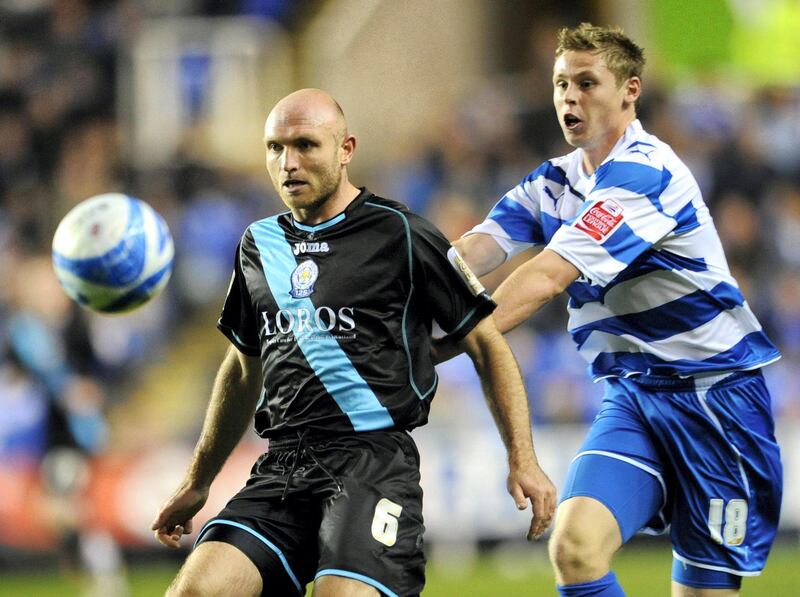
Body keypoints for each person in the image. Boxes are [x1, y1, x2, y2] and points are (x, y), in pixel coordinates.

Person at [152, 88, 556, 597]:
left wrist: (522, 458)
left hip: (373, 463)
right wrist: (198, 480)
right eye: (275, 148)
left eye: (305, 145)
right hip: (282, 466)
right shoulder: (259, 244)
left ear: (346, 149)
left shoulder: (402, 234)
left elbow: (487, 344)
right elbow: (240, 367)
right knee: (193, 592)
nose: (288, 163)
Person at [435, 23, 783, 597]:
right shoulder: (552, 181)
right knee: (574, 548)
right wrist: (389, 296)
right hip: (634, 397)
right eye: (560, 84)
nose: (569, 98)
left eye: (587, 83)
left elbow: (547, 277)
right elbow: (471, 253)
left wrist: (439, 349)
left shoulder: (646, 173)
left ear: (630, 91)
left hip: (716, 400)